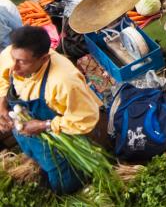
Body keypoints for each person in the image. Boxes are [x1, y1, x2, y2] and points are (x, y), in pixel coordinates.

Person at [0, 27, 101, 194]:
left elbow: (86, 118)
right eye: (13, 58)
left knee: (64, 183)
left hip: (58, 144)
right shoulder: (12, 55)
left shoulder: (64, 81)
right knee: (35, 156)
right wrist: (2, 105)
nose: (14, 66)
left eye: (22, 62)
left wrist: (44, 125)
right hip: (27, 135)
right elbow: (3, 77)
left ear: (44, 58)